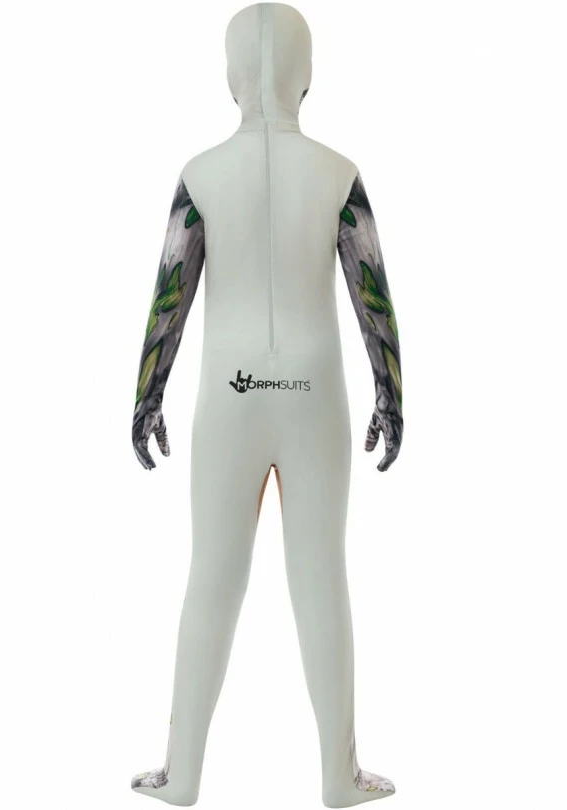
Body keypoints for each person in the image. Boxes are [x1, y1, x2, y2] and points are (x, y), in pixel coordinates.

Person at [130, 4, 402, 806]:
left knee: (211, 577)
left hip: (229, 393)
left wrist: (147, 393)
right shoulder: (338, 173)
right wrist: (391, 390)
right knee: (322, 579)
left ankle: (180, 775)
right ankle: (340, 776)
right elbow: (371, 292)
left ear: (230, 77)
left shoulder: (201, 175)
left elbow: (170, 294)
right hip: (315, 393)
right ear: (306, 75)